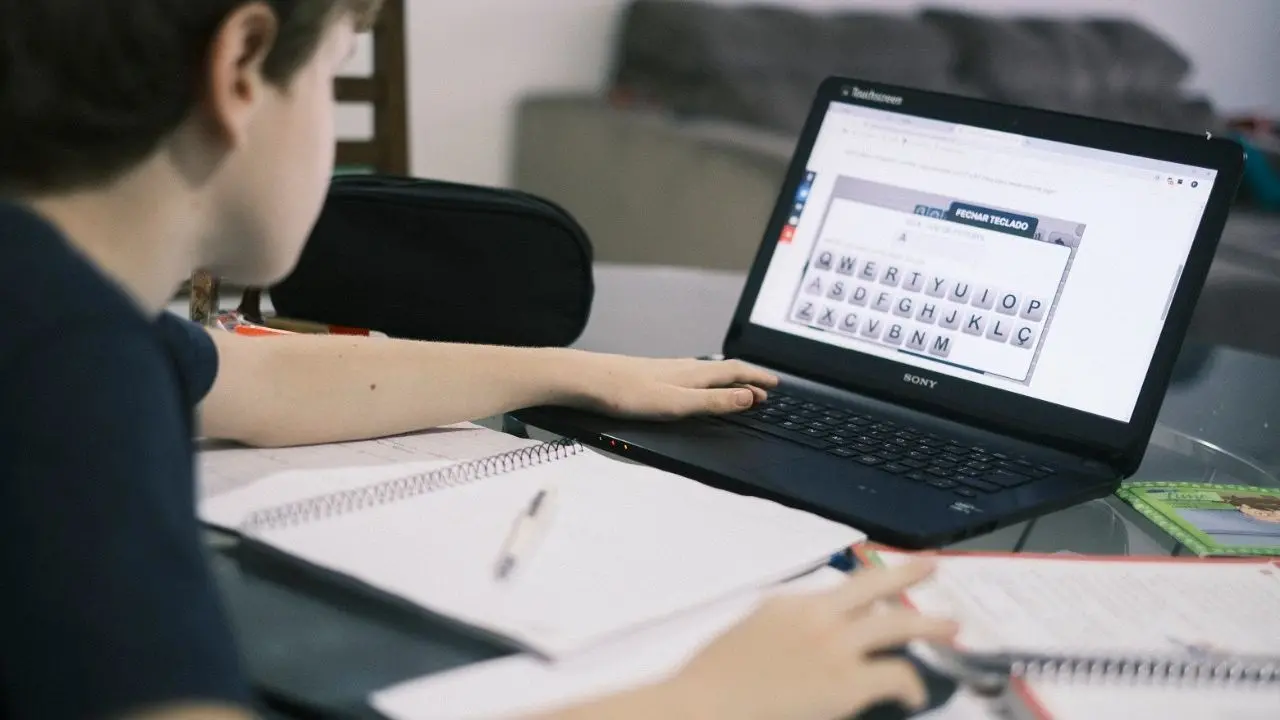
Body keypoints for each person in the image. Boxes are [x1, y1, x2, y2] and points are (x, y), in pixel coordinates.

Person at [0, 1, 957, 718]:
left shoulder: (51, 298)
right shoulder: (64, 381)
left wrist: (588, 373)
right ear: (242, 65)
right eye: (334, 73)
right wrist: (709, 698)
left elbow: (255, 377)